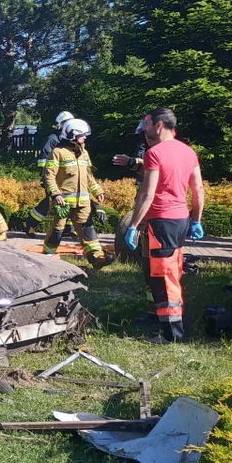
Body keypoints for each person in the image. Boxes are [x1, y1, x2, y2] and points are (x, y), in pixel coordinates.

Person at [125, 107, 204, 343]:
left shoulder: (155, 153)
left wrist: (133, 224)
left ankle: (173, 335)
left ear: (158, 125)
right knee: (170, 272)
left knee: (163, 277)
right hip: (180, 220)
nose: (145, 129)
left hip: (161, 221)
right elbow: (198, 189)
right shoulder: (188, 152)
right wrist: (196, 220)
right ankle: (166, 323)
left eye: (147, 124)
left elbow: (147, 193)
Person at [42, 118, 110, 268]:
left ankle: (97, 259)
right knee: (56, 232)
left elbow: (89, 176)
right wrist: (55, 194)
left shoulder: (84, 153)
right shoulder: (57, 152)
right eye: (83, 135)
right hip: (63, 204)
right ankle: (47, 259)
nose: (85, 137)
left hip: (83, 203)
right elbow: (49, 176)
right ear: (72, 134)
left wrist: (97, 190)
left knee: (88, 231)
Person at [26, 111, 75, 233]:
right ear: (60, 124)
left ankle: (69, 228)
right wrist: (46, 177)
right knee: (49, 203)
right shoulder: (52, 139)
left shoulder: (70, 140)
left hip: (66, 178)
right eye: (65, 123)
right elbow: (43, 160)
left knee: (69, 200)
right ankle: (29, 223)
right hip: (53, 178)